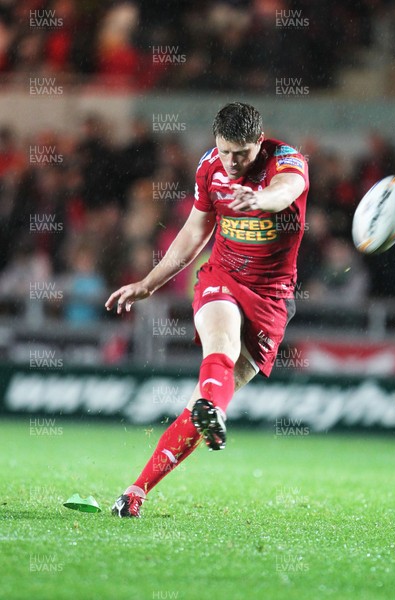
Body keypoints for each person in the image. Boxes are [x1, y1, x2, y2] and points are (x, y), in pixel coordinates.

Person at [106, 102, 309, 517]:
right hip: (222, 276)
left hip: (272, 298)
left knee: (202, 402)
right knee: (221, 342)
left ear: (260, 140)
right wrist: (149, 283)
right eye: (225, 151)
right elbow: (195, 231)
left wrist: (259, 198)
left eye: (242, 154)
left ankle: (136, 492)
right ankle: (212, 414)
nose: (232, 163)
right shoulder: (209, 167)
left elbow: (284, 193)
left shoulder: (287, 162)